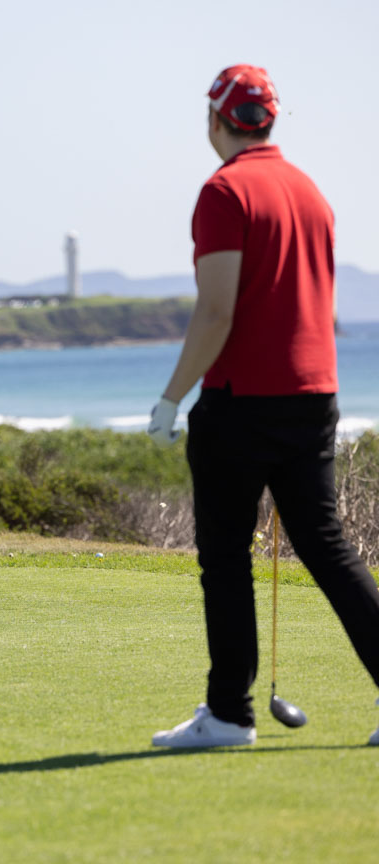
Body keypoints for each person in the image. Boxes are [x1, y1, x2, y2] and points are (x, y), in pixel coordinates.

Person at [146, 66, 379, 747]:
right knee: (329, 550)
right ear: (268, 120)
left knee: (225, 559)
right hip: (314, 397)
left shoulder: (224, 191)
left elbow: (216, 312)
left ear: (216, 121)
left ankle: (229, 715)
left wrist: (170, 396)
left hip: (240, 404)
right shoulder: (310, 191)